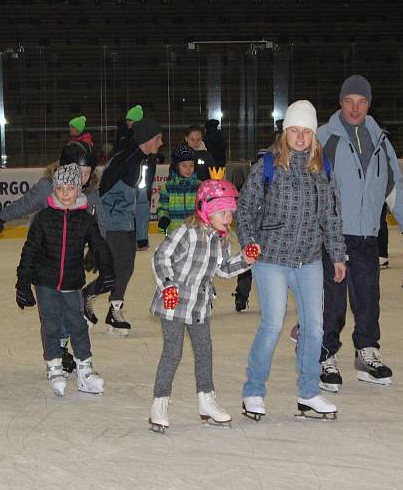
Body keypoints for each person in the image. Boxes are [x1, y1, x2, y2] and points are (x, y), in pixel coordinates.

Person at [237, 100, 346, 421]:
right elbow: (245, 209)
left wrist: (338, 255)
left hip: (309, 259)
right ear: (285, 134)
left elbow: (331, 216)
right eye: (294, 131)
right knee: (272, 324)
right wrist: (250, 244)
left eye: (306, 132)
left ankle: (309, 393)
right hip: (271, 257)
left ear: (314, 135)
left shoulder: (323, 169)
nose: (300, 137)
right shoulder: (268, 166)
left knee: (315, 327)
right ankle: (253, 390)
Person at [317, 75, 403, 392]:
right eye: (350, 101)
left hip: (366, 235)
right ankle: (325, 355)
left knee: (368, 297)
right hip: (333, 235)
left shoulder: (380, 141)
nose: (355, 108)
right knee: (332, 300)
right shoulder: (325, 138)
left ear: (369, 104)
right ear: (341, 103)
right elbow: (311, 187)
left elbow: (393, 187)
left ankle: (367, 352)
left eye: (362, 102)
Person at [148, 174, 251, 432]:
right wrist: (168, 285)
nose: (229, 218)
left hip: (200, 305)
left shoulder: (222, 237)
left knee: (204, 352)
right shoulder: (188, 232)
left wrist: (245, 260)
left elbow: (224, 269)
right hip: (173, 301)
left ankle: (206, 401)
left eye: (230, 213)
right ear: (207, 210)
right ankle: (159, 403)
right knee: (173, 353)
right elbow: (162, 256)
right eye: (224, 212)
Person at [0, 142, 102, 372]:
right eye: (80, 172)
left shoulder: (90, 194)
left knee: (71, 311)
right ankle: (58, 351)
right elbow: (26, 204)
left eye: (88, 173)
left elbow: (97, 223)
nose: (83, 178)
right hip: (44, 258)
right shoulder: (48, 187)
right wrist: (2, 216)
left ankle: (61, 347)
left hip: (69, 261)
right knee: (53, 310)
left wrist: (95, 250)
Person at [15, 164, 115, 396]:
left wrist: (108, 271)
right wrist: (22, 283)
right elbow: (29, 250)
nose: (66, 193)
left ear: (78, 189)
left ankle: (84, 369)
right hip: (45, 282)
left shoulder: (85, 219)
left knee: (78, 325)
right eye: (61, 188)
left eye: (71, 188)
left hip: (72, 282)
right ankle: (55, 367)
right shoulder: (43, 218)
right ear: (54, 189)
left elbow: (99, 245)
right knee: (51, 325)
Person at [98, 118, 160, 335]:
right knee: (119, 267)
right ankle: (109, 308)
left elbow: (142, 199)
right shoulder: (124, 159)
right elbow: (102, 193)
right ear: (147, 139)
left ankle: (107, 306)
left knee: (125, 267)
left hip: (129, 221)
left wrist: (142, 234)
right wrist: (100, 229)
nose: (161, 143)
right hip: (114, 221)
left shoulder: (146, 161)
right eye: (158, 138)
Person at [156, 146, 200, 236]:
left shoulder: (199, 186)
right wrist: (163, 218)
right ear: (176, 166)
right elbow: (162, 207)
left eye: (191, 165)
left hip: (195, 232)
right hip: (174, 233)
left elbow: (204, 208)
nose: (188, 169)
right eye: (184, 165)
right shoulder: (168, 187)